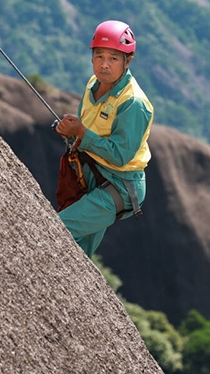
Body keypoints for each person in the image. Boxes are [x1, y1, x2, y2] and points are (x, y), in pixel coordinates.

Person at [54, 20, 154, 258]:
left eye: (113, 58)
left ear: (127, 61)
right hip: (94, 173)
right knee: (78, 252)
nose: (104, 65)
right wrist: (71, 132)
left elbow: (121, 155)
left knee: (56, 231)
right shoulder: (93, 85)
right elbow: (85, 126)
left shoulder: (133, 103)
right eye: (99, 57)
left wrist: (81, 133)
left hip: (120, 184)